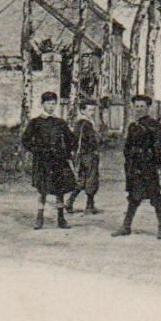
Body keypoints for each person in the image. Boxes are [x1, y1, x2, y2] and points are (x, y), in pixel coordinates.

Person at [114, 92, 161, 239]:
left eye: (142, 106)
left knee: (155, 196)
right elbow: (128, 146)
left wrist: (152, 159)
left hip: (148, 166)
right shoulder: (132, 126)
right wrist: (129, 159)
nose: (139, 109)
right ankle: (126, 226)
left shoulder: (154, 125)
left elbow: (160, 146)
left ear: (148, 108)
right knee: (133, 196)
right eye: (136, 106)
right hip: (134, 166)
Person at [22, 92, 79, 229]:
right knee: (42, 190)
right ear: (42, 104)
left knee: (60, 190)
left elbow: (71, 139)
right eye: (48, 103)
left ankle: (61, 218)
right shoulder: (35, 123)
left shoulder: (60, 123)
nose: (51, 106)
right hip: (42, 161)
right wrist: (37, 151)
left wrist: (68, 152)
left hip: (58, 161)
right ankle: (39, 218)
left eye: (53, 103)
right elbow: (26, 140)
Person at [73, 99, 103, 213]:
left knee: (81, 179)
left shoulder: (78, 123)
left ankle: (70, 202)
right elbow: (92, 141)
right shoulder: (87, 124)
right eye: (90, 110)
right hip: (89, 155)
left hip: (80, 155)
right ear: (82, 110)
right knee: (91, 179)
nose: (92, 112)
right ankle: (89, 206)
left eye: (93, 110)